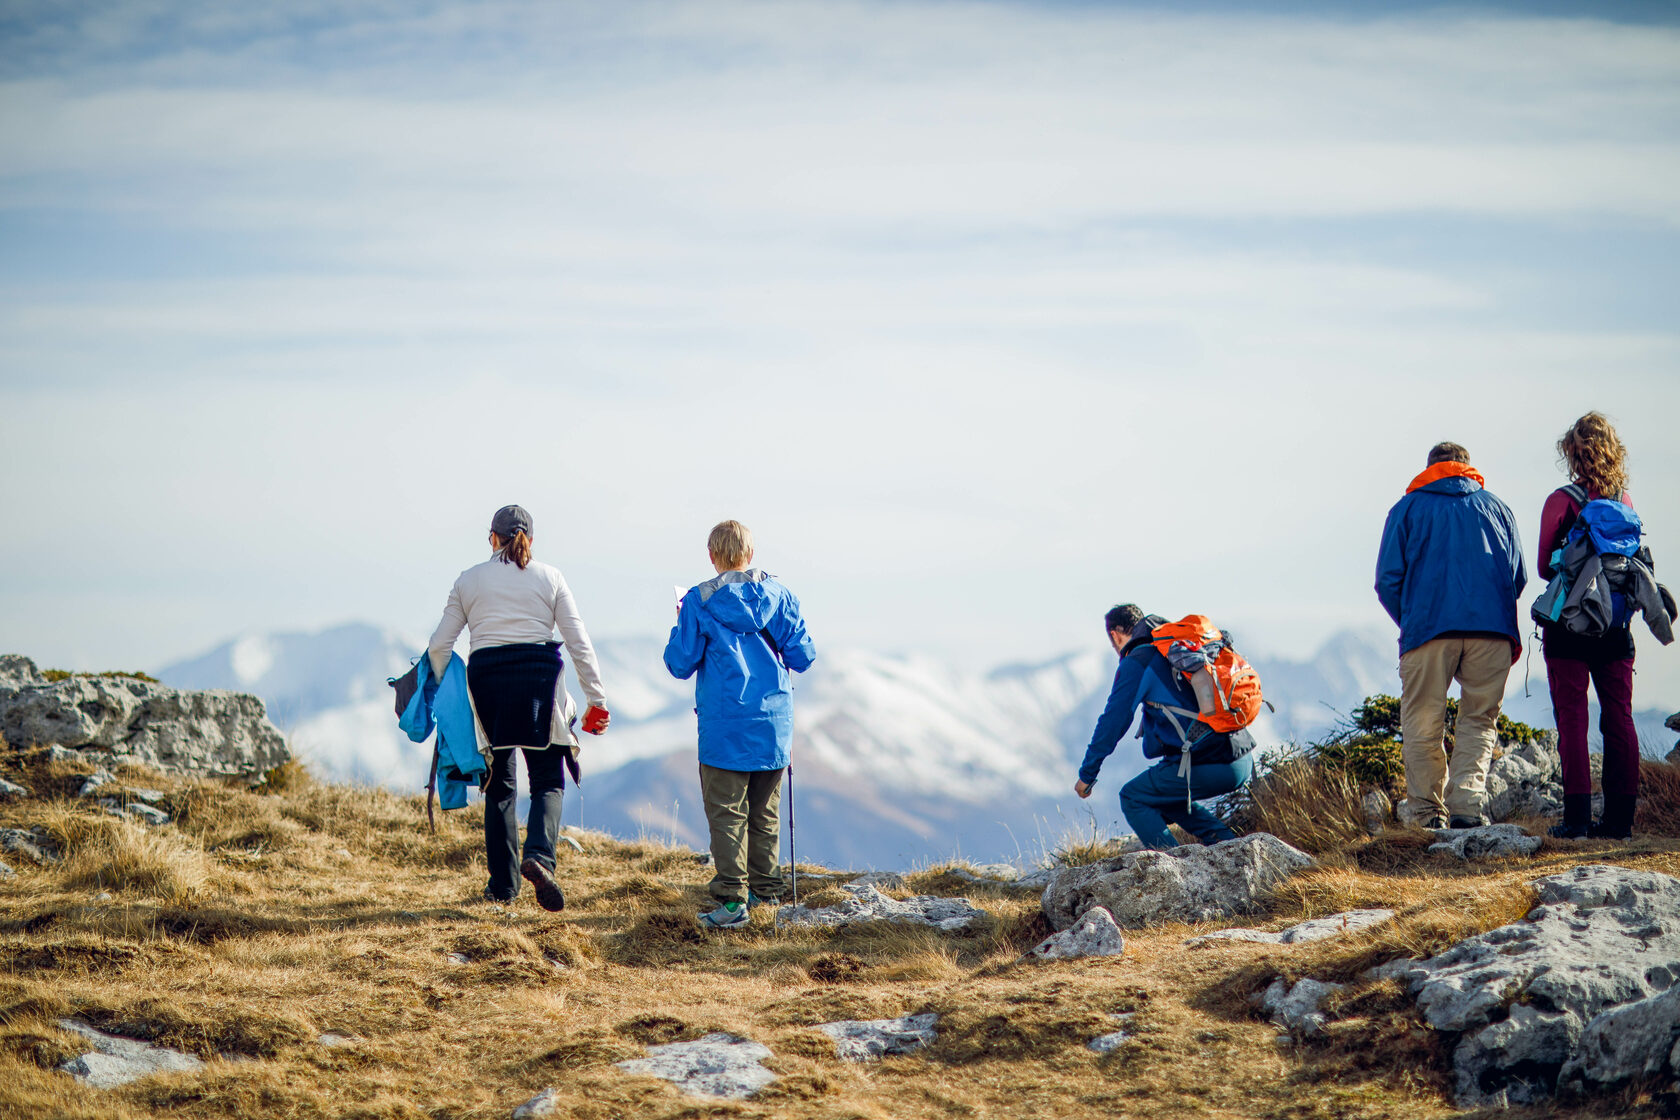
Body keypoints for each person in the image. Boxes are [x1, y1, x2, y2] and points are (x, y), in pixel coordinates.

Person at [428, 505, 609, 909]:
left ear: (491, 538)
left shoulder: (468, 580)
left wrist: (440, 691)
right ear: (530, 539)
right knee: (547, 780)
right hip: (539, 684)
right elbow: (578, 642)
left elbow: (440, 646)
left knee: (499, 786)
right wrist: (596, 699)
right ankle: (540, 856)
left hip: (488, 682)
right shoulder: (551, 577)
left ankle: (503, 887)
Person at [663, 520, 815, 929]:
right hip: (772, 723)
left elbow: (679, 663)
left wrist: (681, 624)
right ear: (751, 554)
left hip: (724, 725)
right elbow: (802, 656)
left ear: (712, 556)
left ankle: (733, 903)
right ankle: (766, 894)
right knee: (764, 813)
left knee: (727, 813)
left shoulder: (698, 601)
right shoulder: (780, 597)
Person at [1376, 442, 1527, 830]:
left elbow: (1387, 580)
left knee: (1424, 721)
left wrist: (1412, 620)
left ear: (1430, 468)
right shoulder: (1498, 509)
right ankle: (1467, 807)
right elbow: (1518, 576)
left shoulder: (1406, 509)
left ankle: (1428, 814)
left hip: (1428, 630)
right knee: (1479, 719)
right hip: (1492, 631)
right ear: (1467, 468)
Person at [1074, 604, 1255, 850]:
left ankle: (1178, 873)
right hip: (1240, 756)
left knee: (1133, 797)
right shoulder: (1176, 650)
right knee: (1161, 797)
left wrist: (1087, 774)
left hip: (1212, 761)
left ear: (1115, 635)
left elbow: (1113, 721)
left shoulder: (1138, 661)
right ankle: (1230, 847)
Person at [1540, 413, 1640, 839]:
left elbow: (1547, 564)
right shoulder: (1625, 503)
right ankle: (1620, 821)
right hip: (1616, 627)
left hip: (1569, 627)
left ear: (1572, 453)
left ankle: (1578, 819)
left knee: (1573, 720)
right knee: (1619, 719)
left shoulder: (1561, 501)